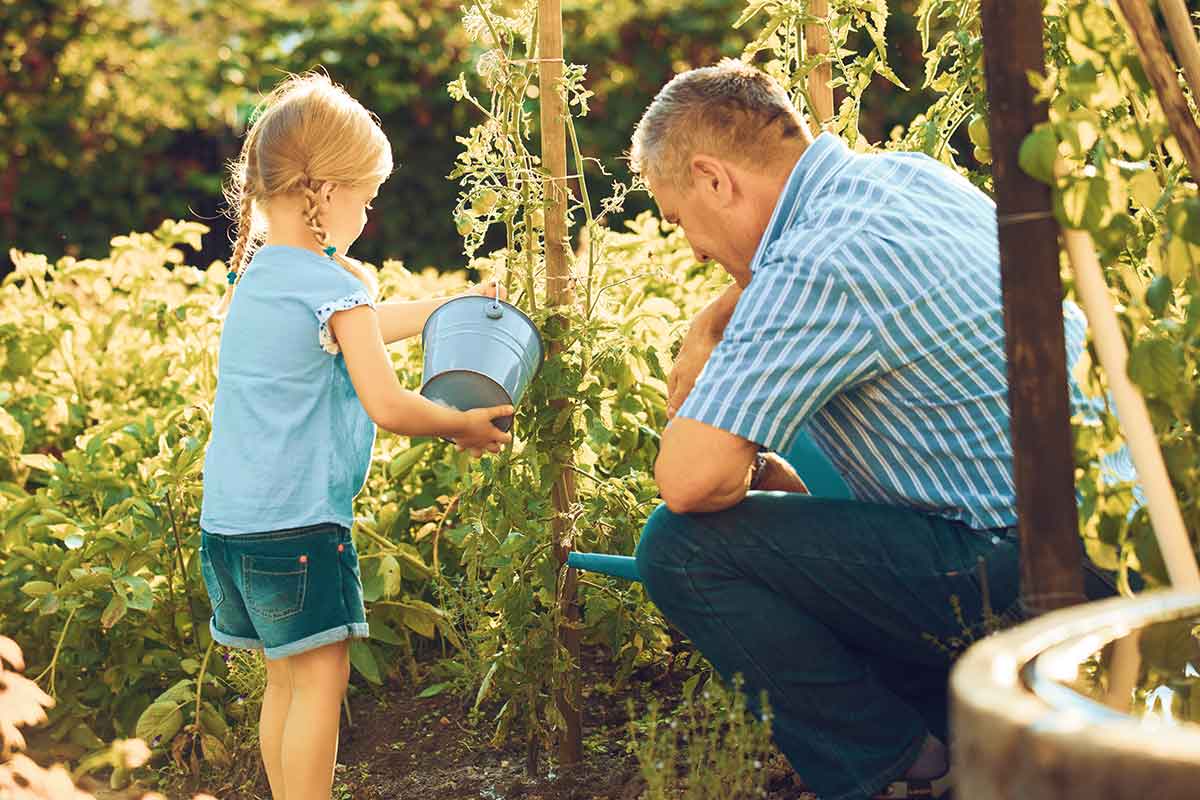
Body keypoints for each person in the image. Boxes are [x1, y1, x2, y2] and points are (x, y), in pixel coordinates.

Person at [629, 59, 1122, 800]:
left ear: (712, 179)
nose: (694, 248)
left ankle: (902, 776)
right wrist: (714, 316)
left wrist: (704, 347)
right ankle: (954, 734)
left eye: (678, 221)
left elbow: (689, 479)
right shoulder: (910, 179)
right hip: (1117, 542)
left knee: (681, 548)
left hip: (1046, 576)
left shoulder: (817, 261)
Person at [198, 72, 511, 800]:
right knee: (322, 684)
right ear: (325, 193)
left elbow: (360, 324)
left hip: (234, 528)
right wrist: (461, 422)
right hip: (298, 529)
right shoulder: (331, 285)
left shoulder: (259, 278)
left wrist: (449, 306)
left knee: (287, 681)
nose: (367, 217)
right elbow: (390, 403)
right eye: (366, 199)